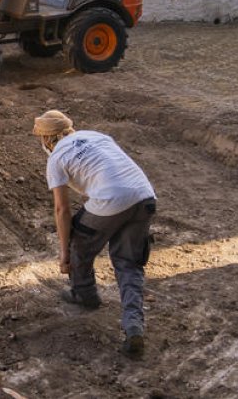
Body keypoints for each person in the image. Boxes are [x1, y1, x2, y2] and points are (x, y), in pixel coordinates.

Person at [34, 109, 157, 359]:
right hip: (144, 196)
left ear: (47, 139)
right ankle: (133, 326)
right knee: (129, 264)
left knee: (79, 239)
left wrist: (63, 251)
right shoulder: (97, 136)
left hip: (111, 199)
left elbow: (62, 209)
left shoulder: (56, 158)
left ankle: (85, 294)